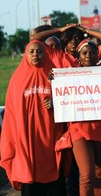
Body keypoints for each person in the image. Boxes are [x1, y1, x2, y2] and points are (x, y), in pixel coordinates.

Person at [0, 40, 67, 196]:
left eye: (39, 51)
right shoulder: (17, 79)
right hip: (26, 137)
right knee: (29, 178)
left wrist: (56, 102)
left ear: (45, 54)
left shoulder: (54, 75)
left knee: (54, 176)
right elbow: (11, 112)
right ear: (26, 55)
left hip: (50, 136)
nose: (35, 54)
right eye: (32, 52)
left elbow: (67, 101)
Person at [66, 34, 101, 195]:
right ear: (78, 56)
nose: (88, 56)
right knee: (87, 175)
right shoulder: (68, 75)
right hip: (79, 129)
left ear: (98, 55)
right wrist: (54, 81)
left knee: (99, 175)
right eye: (84, 53)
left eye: (92, 52)